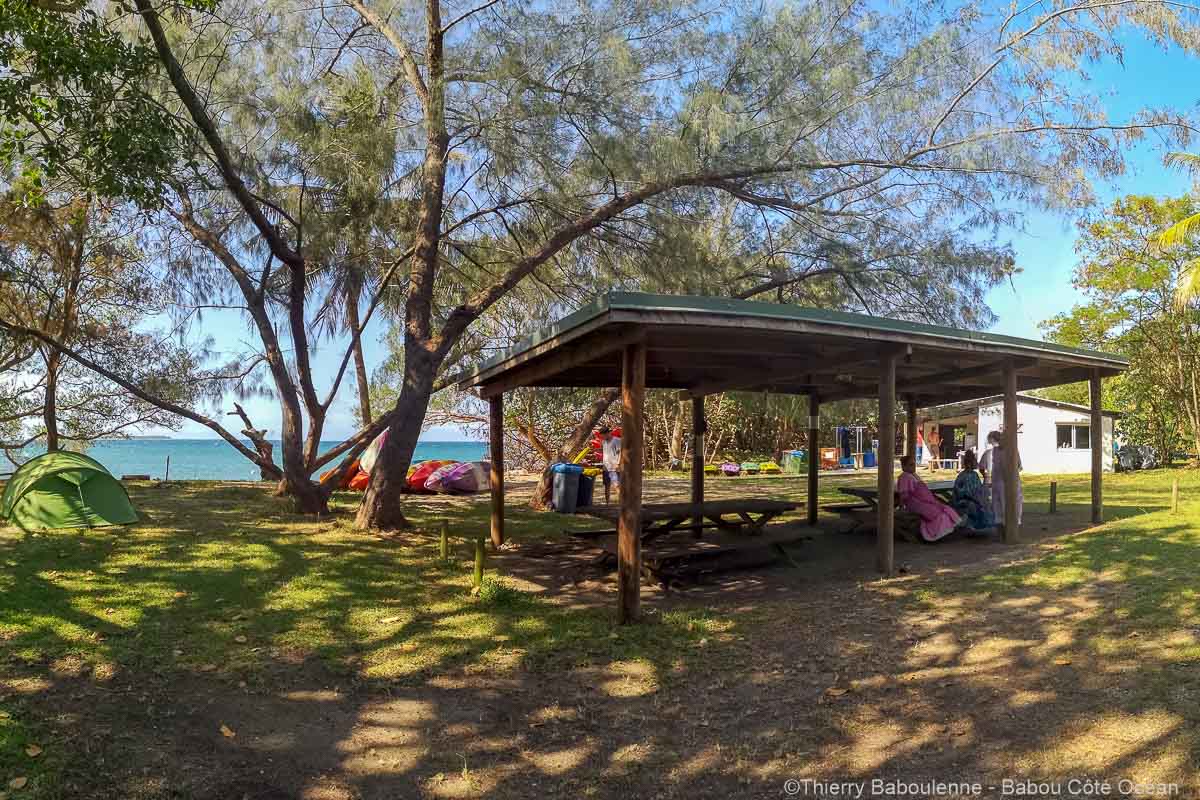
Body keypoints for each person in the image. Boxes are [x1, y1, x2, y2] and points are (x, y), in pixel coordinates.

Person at [897, 455, 961, 542]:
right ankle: (933, 534)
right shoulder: (904, 476)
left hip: (924, 501)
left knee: (943, 508)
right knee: (937, 513)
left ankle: (945, 532)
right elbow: (903, 494)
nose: (913, 467)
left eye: (914, 464)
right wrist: (901, 508)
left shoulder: (913, 475)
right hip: (915, 503)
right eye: (910, 465)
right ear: (903, 466)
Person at [979, 430, 1023, 530]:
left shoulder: (1012, 450)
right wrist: (987, 476)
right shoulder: (993, 451)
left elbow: (1018, 466)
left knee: (1012, 506)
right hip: (997, 483)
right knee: (997, 507)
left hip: (1010, 483)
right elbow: (983, 467)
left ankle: (1012, 529)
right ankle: (1001, 530)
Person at [953, 449, 994, 532]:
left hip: (975, 499)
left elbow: (979, 489)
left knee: (986, 504)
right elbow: (961, 492)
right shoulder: (963, 476)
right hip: (964, 500)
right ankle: (973, 525)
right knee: (974, 506)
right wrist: (975, 498)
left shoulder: (974, 475)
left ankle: (982, 524)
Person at [599, 425, 621, 504]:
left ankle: (621, 503)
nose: (602, 437)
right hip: (606, 467)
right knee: (606, 485)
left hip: (614, 467)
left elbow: (620, 453)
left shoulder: (617, 440)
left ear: (608, 433)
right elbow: (605, 453)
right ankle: (607, 503)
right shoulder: (604, 442)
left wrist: (618, 464)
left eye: (603, 435)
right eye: (601, 436)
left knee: (616, 485)